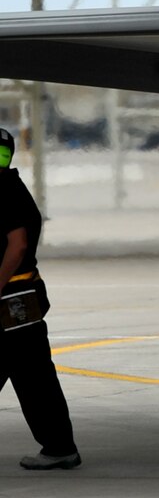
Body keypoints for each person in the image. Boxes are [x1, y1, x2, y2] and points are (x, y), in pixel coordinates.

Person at [0, 128, 77, 471]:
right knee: (33, 374)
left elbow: (16, 246)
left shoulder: (5, 191)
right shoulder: (9, 187)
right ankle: (59, 446)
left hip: (11, 299)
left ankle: (60, 446)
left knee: (33, 375)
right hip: (19, 300)